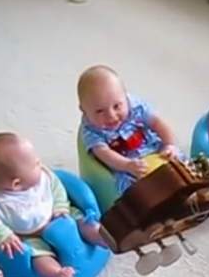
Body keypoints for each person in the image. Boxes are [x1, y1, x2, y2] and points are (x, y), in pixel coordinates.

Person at [0, 132, 105, 277]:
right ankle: (58, 274)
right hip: (29, 236)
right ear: (16, 184)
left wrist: (60, 207)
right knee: (39, 258)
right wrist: (3, 234)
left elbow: (57, 188)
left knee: (84, 221)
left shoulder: (43, 177)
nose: (40, 166)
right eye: (35, 164)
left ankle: (103, 237)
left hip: (61, 216)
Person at [78, 64, 184, 193]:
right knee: (130, 189)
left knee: (180, 161)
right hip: (127, 164)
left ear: (125, 97)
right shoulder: (91, 130)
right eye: (99, 111)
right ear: (84, 111)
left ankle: (191, 191)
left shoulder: (136, 107)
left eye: (117, 106)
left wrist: (170, 144)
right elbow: (104, 153)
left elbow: (158, 123)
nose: (111, 116)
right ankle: (155, 208)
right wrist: (127, 165)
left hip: (154, 148)